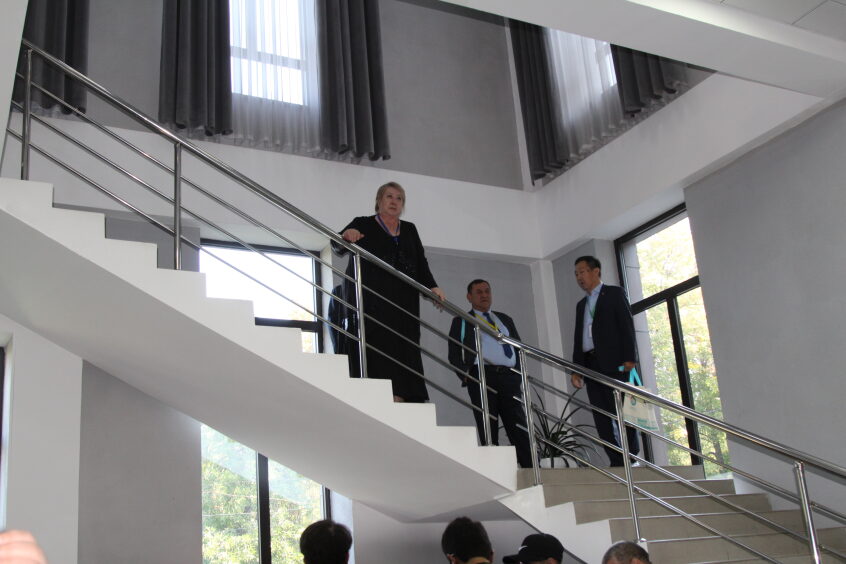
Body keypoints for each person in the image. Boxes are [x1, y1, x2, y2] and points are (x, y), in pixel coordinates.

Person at [335, 181, 446, 402]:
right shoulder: (363, 223)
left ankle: (407, 394)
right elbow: (336, 243)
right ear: (379, 200)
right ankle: (387, 394)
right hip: (373, 300)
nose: (394, 201)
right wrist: (347, 234)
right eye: (389, 196)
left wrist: (432, 286)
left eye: (399, 198)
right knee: (380, 343)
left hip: (405, 302)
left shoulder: (410, 229)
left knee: (406, 344)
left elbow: (420, 262)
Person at [448, 279, 532, 468]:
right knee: (487, 424)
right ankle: (494, 467)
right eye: (479, 292)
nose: (484, 295)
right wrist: (466, 375)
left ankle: (529, 466)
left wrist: (517, 373)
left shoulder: (504, 319)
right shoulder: (462, 320)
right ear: (469, 297)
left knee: (517, 423)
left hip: (508, 377)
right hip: (482, 376)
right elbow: (454, 353)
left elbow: (518, 347)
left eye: (487, 291)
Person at [570, 256, 640, 467]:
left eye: (582, 271)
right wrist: (576, 369)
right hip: (591, 366)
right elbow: (578, 339)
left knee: (623, 412)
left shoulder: (614, 294)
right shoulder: (581, 305)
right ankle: (616, 460)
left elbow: (626, 325)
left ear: (596, 271)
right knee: (601, 416)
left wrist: (630, 358)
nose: (579, 277)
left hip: (615, 364)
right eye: (576, 274)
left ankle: (632, 456)